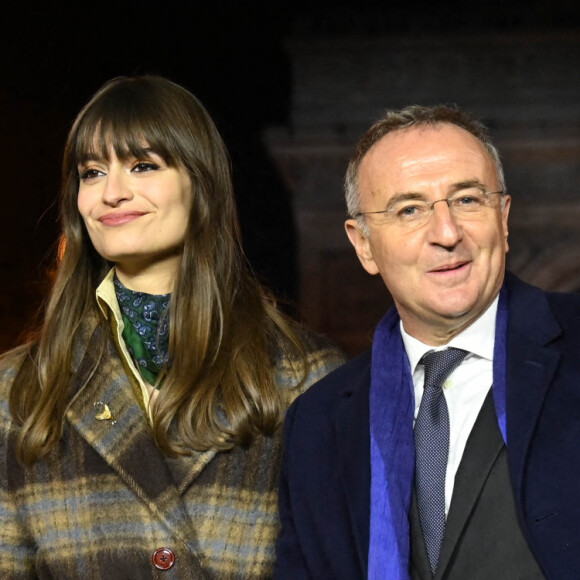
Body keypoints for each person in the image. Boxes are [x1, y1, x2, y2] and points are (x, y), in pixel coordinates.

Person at [0, 75, 345, 579]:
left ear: (200, 183)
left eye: (143, 166)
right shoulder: (18, 389)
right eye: (92, 172)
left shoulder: (306, 376)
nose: (112, 193)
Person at [274, 104, 580, 580]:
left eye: (467, 200)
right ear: (363, 245)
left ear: (503, 217)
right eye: (409, 209)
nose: (446, 233)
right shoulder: (316, 424)